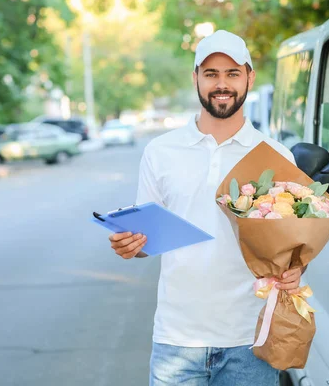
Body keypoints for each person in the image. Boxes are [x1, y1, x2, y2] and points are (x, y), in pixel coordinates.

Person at [108, 30, 303, 386]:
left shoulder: (277, 156)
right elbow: (147, 240)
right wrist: (131, 245)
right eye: (211, 74)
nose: (221, 84)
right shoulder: (161, 151)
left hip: (251, 337)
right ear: (195, 77)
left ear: (250, 77)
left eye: (232, 73)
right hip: (177, 340)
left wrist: (295, 269)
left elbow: (291, 247)